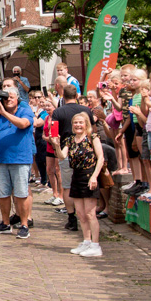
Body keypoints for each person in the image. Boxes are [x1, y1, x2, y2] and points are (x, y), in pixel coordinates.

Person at [0, 83, 34, 238]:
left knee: (21, 193)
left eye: (11, 97)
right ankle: (5, 223)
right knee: (3, 194)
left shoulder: (25, 110)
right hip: (2, 160)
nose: (8, 100)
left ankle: (24, 224)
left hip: (20, 159)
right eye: (5, 98)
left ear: (17, 98)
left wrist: (4, 113)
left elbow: (23, 124)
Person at [50, 84, 94, 232]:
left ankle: (72, 218)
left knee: (68, 186)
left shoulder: (58, 111)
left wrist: (56, 146)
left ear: (63, 96)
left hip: (66, 150)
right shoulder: (86, 110)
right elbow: (92, 129)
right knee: (85, 182)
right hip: (86, 151)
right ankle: (87, 215)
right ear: (76, 96)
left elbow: (54, 132)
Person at [63, 113, 104, 257]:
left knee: (90, 213)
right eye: (75, 123)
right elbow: (62, 156)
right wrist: (55, 144)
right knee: (80, 213)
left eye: (80, 122)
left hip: (89, 174)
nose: (78, 125)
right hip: (76, 175)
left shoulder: (93, 137)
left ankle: (95, 244)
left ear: (86, 124)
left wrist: (94, 176)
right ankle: (86, 241)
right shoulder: (70, 140)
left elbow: (100, 158)